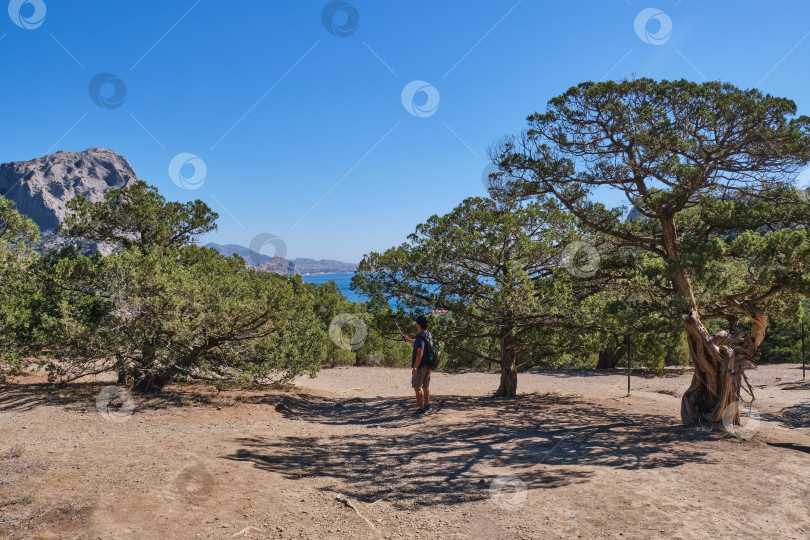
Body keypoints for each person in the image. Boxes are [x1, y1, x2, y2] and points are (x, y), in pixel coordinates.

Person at [403, 315, 431, 416]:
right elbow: (419, 344)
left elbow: (420, 352)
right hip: (427, 365)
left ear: (418, 325)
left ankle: (422, 409)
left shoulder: (420, 337)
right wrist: (408, 339)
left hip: (420, 366)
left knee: (417, 387)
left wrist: (415, 368)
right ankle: (427, 405)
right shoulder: (427, 334)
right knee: (426, 386)